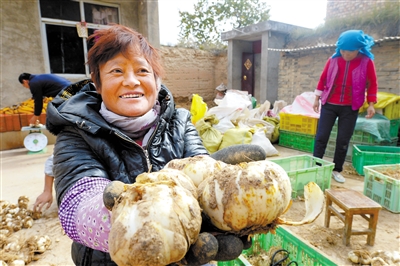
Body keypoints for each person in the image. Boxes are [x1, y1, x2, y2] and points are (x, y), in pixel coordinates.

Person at [45, 24, 261, 265]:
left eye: (142, 71)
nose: (131, 81)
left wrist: (224, 193)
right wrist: (144, 233)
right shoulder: (76, 132)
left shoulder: (180, 122)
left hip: (186, 252)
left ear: (156, 80)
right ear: (97, 83)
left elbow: (202, 177)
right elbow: (78, 204)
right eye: (116, 71)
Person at [313, 30, 378, 183]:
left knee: (343, 139)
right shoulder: (333, 60)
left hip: (350, 106)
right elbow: (322, 79)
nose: (345, 54)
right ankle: (315, 166)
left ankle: (337, 169)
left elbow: (372, 83)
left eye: (350, 52)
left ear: (358, 49)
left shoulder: (366, 62)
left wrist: (371, 104)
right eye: (342, 50)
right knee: (321, 136)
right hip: (329, 104)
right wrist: (316, 99)